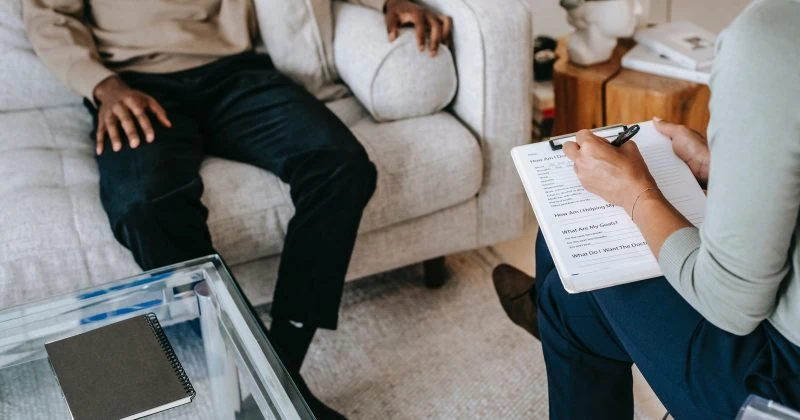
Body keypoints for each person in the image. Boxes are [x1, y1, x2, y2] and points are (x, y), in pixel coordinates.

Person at [22, 0, 452, 417]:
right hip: (132, 83)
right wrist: (104, 86)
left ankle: (275, 372)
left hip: (236, 72)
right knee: (143, 206)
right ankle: (275, 385)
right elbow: (48, 15)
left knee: (341, 166)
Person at [493, 0, 800, 418]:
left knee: (575, 271)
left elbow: (729, 302)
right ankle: (564, 321)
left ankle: (559, 321)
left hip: (780, 387)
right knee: (569, 266)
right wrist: (731, 169)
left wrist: (635, 192)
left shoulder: (773, 36)